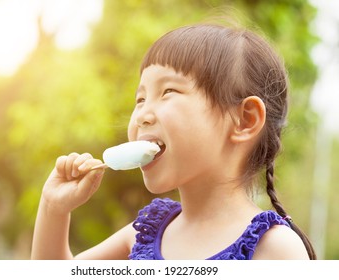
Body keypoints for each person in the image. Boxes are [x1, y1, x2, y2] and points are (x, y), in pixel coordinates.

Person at [31, 23, 316, 260]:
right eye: (140, 99)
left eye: (167, 91)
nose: (142, 114)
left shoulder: (277, 250)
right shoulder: (146, 232)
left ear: (244, 120)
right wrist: (53, 209)